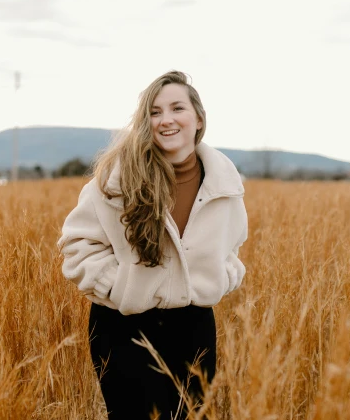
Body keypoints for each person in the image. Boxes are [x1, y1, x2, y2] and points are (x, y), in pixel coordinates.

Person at [57, 71, 248, 419]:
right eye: (155, 112)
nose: (166, 120)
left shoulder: (224, 181)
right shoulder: (117, 176)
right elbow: (76, 245)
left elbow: (233, 246)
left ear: (199, 118)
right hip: (124, 326)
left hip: (195, 328)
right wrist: (119, 288)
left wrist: (221, 276)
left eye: (177, 108)